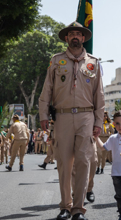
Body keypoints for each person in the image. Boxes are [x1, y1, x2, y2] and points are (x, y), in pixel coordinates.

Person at [39, 21, 104, 220]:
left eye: (79, 33)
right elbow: (47, 89)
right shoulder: (56, 60)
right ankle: (65, 206)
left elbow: (99, 94)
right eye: (71, 34)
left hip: (86, 115)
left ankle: (78, 209)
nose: (75, 36)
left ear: (83, 38)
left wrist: (98, 122)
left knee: (84, 161)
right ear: (66, 38)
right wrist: (43, 115)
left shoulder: (93, 62)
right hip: (62, 116)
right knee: (64, 164)